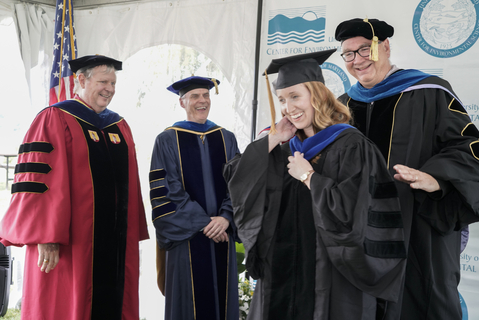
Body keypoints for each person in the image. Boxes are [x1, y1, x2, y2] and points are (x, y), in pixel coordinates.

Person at [223, 49, 407, 320]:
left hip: (332, 273)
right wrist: (274, 138)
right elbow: (236, 177)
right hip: (282, 270)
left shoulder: (351, 146)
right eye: (282, 99)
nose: (288, 107)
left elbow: (356, 214)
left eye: (295, 96)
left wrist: (309, 178)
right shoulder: (283, 146)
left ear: (317, 94)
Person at [335, 18, 479, 319]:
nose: (357, 60)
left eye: (365, 49)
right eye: (348, 53)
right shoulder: (341, 106)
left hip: (417, 226)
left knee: (421, 303)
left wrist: (436, 178)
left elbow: (470, 147)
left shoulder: (430, 92)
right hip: (360, 233)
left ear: (385, 47)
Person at [0, 55, 149, 320]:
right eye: (103, 81)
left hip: (115, 244)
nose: (110, 89)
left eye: (113, 83)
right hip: (72, 243)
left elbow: (130, 186)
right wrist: (47, 235)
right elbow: (39, 182)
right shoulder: (54, 118)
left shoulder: (119, 127)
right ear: (81, 80)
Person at [150, 76, 239, 320]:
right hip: (187, 238)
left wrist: (226, 217)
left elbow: (238, 185)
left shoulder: (226, 138)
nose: (202, 101)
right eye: (195, 96)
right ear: (182, 102)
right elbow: (167, 191)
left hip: (222, 236)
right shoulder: (167, 139)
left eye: (206, 95)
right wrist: (207, 223)